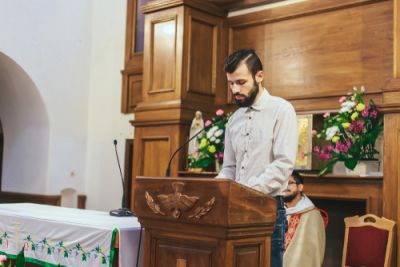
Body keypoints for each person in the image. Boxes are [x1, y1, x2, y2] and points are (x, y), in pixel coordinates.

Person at [216, 48, 298, 267]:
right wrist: (215, 191)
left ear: (259, 76)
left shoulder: (281, 110)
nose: (235, 89)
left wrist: (245, 192)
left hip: (267, 210)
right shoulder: (234, 120)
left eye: (241, 82)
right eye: (231, 83)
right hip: (234, 212)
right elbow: (229, 168)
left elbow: (283, 163)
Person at [283, 171, 326, 267]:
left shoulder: (312, 214)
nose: (285, 187)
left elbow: (314, 252)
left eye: (290, 183)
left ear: (300, 187)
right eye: (283, 183)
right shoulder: (278, 210)